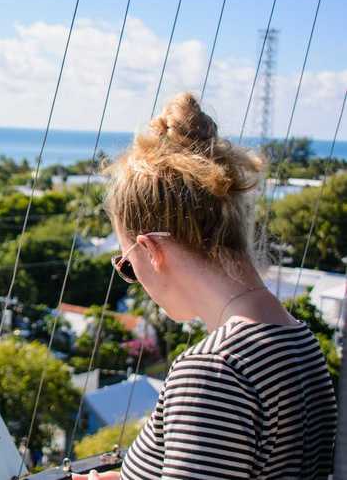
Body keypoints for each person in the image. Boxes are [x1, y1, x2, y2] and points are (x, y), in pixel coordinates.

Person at [72, 93, 337, 480]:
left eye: (128, 265)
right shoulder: (298, 342)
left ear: (150, 250)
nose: (135, 278)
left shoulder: (214, 371)